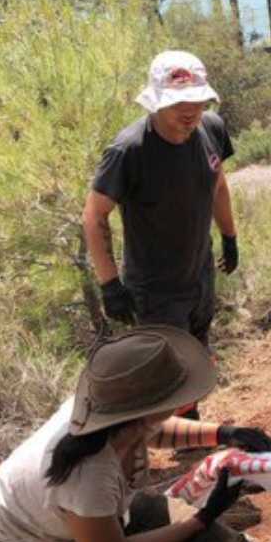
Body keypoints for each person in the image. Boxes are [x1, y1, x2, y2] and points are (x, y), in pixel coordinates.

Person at [0, 325, 271, 542]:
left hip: (84, 517)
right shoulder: (88, 472)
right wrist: (202, 517)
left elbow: (156, 430)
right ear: (145, 410)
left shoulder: (105, 414)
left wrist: (225, 433)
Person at [83, 50, 238, 415]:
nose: (191, 111)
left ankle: (192, 431)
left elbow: (218, 185)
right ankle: (171, 444)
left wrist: (229, 237)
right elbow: (93, 217)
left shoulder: (211, 128)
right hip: (155, 290)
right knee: (170, 372)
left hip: (199, 273)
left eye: (197, 101)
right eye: (179, 103)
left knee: (197, 356)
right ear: (155, 102)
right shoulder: (129, 151)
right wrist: (109, 284)